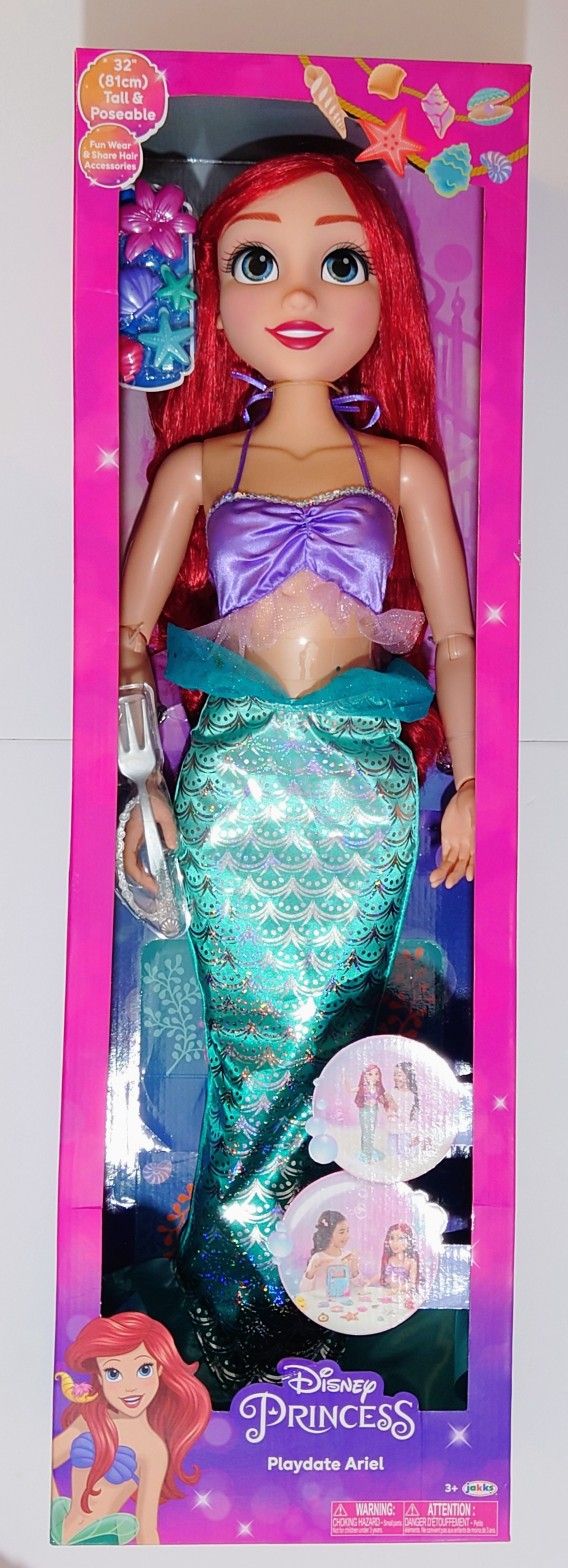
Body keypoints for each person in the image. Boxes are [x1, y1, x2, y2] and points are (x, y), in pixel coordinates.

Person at [115, 152, 475, 1402]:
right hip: (233, 784)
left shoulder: (403, 470)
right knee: (247, 1043)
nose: (300, 294)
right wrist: (143, 781)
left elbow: (457, 638)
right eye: (257, 261)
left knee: (337, 1047)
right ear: (210, 299)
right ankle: (231, 1298)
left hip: (363, 789)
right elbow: (125, 638)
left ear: (389, 290)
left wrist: (474, 781)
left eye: (342, 260)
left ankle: (328, 1282)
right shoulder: (198, 469)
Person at [51, 1312, 211, 1545]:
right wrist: (51, 1508)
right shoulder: (90, 1419)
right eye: (113, 1373)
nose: (130, 1387)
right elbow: (41, 1462)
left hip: (97, 1542)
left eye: (144, 1369)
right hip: (56, 1532)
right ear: (100, 1377)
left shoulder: (153, 1449)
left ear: (159, 1368)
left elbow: (147, 1531)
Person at [299, 1210, 360, 1297]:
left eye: (348, 1231)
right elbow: (303, 1291)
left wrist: (354, 1269)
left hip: (343, 1303)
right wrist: (311, 1269)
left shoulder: (348, 1256)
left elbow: (360, 1290)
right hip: (321, 1303)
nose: (347, 1236)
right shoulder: (318, 1258)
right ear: (328, 1234)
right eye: (341, 1232)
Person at [354, 1063, 392, 1162]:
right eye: (370, 1074)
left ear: (379, 1076)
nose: (374, 1076)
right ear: (365, 1076)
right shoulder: (363, 1088)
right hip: (365, 1110)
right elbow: (350, 1089)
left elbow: (382, 1099)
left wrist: (387, 1100)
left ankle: (369, 1150)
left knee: (371, 1131)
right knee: (365, 1131)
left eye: (376, 1074)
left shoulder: (378, 1089)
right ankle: (365, 1152)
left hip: (374, 1110)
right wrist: (344, 1078)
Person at [368, 1222, 420, 1295]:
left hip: (401, 1295)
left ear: (409, 1241)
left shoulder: (411, 1262)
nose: (395, 1243)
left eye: (400, 1238)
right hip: (387, 1292)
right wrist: (369, 1282)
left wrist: (396, 1290)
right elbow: (382, 1274)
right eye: (392, 1238)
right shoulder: (390, 1259)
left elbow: (411, 1284)